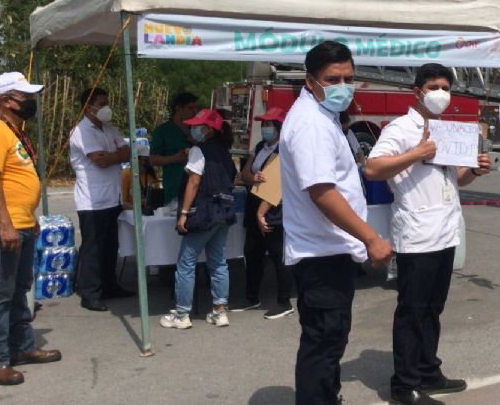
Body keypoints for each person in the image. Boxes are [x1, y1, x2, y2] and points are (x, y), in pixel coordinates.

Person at [365, 63, 491, 405]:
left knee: (434, 307)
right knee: (412, 308)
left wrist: (475, 171)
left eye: (446, 88)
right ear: (417, 91)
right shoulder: (400, 129)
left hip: (446, 231)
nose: (442, 94)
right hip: (417, 234)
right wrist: (416, 153)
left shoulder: (447, 130)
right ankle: (403, 382)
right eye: (434, 86)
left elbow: (456, 178)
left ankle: (428, 370)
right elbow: (372, 168)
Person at [280, 41, 393, 405]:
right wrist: (371, 238)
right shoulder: (311, 124)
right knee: (323, 343)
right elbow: (322, 192)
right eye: (333, 79)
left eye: (349, 78)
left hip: (329, 249)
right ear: (310, 80)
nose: (343, 86)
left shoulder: (322, 117)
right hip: (321, 252)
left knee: (329, 341)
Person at [0, 72, 61, 385]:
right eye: (26, 97)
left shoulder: (14, 131)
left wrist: (28, 217)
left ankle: (22, 347)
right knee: (0, 294)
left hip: (19, 223)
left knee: (21, 289)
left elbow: (15, 181)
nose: (31, 102)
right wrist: (6, 224)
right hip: (1, 227)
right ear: (6, 100)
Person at [159, 110, 237, 329]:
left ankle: (182, 314)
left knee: (186, 262)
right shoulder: (224, 151)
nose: (191, 130)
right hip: (224, 211)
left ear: (207, 130)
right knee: (218, 261)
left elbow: (194, 182)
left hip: (203, 212)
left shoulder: (198, 150)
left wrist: (183, 213)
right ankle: (220, 311)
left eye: (196, 126)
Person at [69, 88, 133, 312]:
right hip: (92, 199)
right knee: (93, 248)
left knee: (110, 246)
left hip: (111, 197)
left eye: (107, 102)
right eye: (102, 103)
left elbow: (128, 151)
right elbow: (100, 160)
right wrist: (117, 155)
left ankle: (109, 285)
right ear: (89, 107)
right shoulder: (81, 131)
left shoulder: (109, 128)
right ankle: (90, 292)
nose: (106, 107)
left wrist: (115, 155)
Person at [238, 106, 294, 318]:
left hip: (274, 208)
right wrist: (253, 178)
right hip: (254, 204)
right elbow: (245, 173)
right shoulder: (260, 146)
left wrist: (262, 211)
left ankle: (284, 301)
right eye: (264, 125)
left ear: (279, 127)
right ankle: (252, 297)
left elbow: (277, 184)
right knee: (252, 254)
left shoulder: (284, 150)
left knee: (278, 255)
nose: (265, 128)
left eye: (269, 125)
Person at [150, 92, 198, 204]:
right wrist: (174, 158)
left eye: (196, 108)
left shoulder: (199, 129)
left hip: (199, 186)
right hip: (175, 186)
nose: (195, 112)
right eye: (190, 108)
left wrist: (196, 141)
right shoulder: (163, 131)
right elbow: (153, 159)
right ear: (178, 109)